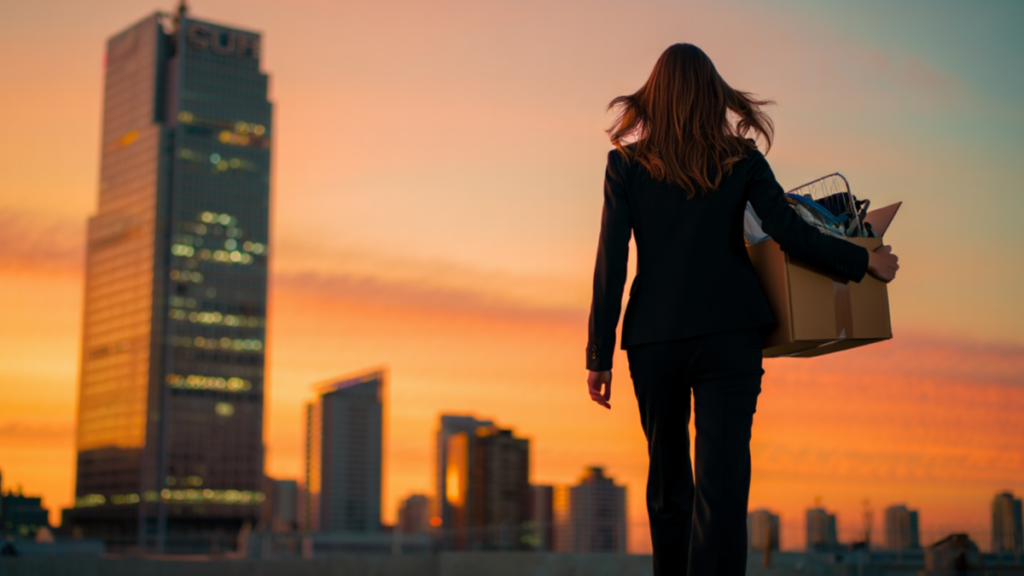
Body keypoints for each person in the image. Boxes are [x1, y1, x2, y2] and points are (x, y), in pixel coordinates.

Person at [585, 44, 898, 575]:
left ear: (654, 97)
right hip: (730, 336)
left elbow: (610, 266)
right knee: (723, 488)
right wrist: (863, 263)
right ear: (714, 97)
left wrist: (599, 357)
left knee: (667, 485)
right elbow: (792, 233)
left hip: (653, 341)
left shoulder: (626, 166)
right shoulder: (742, 159)